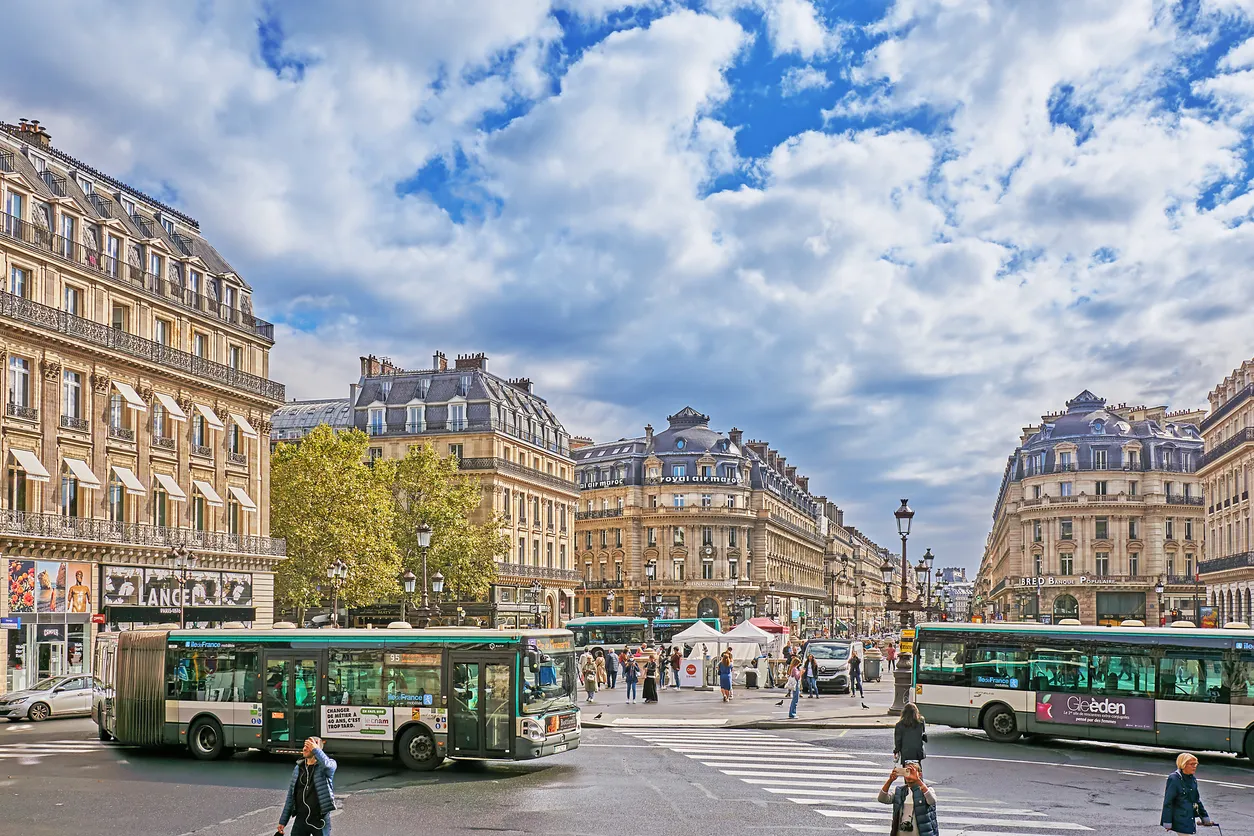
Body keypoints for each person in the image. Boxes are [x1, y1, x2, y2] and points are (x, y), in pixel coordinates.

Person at [277, 737, 337, 836]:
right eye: (304, 746)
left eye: (308, 747)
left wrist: (316, 749)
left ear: (316, 748)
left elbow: (328, 767)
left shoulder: (327, 765)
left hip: (319, 819)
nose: (304, 749)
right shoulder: (298, 767)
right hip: (301, 818)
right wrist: (283, 821)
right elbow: (291, 796)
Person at [878, 763, 937, 836]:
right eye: (907, 772)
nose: (909, 776)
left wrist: (918, 780)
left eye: (912, 772)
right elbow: (882, 799)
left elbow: (932, 801)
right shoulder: (899, 791)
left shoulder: (927, 790)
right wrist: (890, 780)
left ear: (920, 774)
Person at [1162, 753, 1215, 833]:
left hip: (1189, 819)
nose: (1194, 766)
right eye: (1192, 764)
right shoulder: (1174, 779)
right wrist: (1167, 822)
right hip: (1179, 820)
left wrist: (1204, 817)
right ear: (1183, 764)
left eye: (1196, 764)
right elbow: (1168, 802)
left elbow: (1196, 800)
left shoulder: (1192, 779)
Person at [894, 703, 927, 774]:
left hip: (906, 751)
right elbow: (923, 733)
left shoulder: (899, 725)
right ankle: (919, 782)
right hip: (918, 750)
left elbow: (898, 741)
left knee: (907, 770)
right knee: (918, 768)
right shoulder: (921, 721)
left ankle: (908, 783)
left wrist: (896, 751)